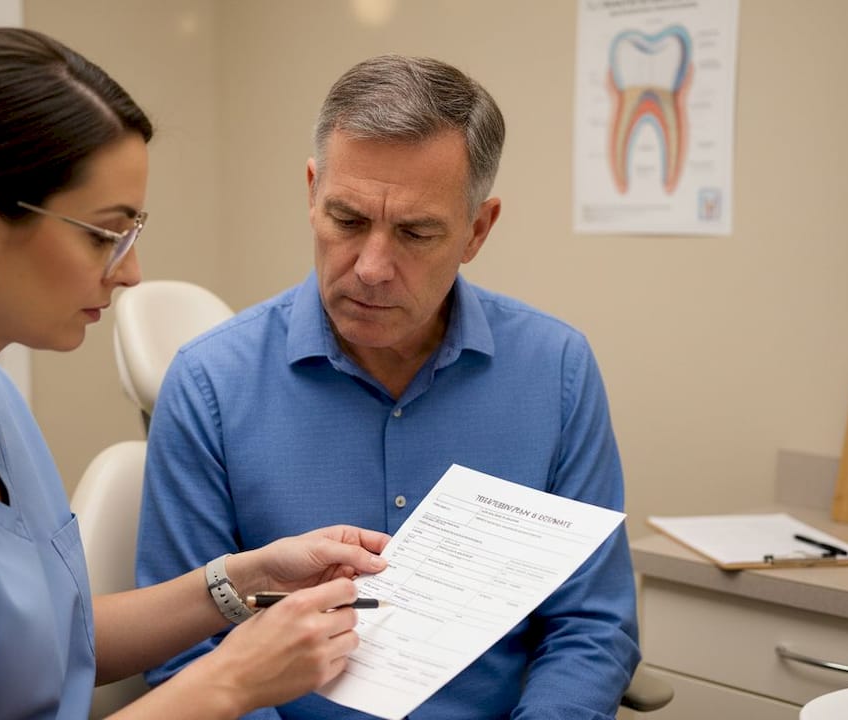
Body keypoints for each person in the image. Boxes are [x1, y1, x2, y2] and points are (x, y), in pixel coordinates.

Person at [0, 28, 390, 720]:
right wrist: (230, 682)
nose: (131, 273)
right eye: (104, 234)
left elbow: (51, 639)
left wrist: (243, 579)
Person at [136, 54, 640, 719]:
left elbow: (592, 626)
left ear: (477, 229)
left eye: (415, 232)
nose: (372, 268)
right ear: (312, 192)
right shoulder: (210, 383)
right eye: (347, 221)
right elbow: (184, 648)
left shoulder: (556, 371)